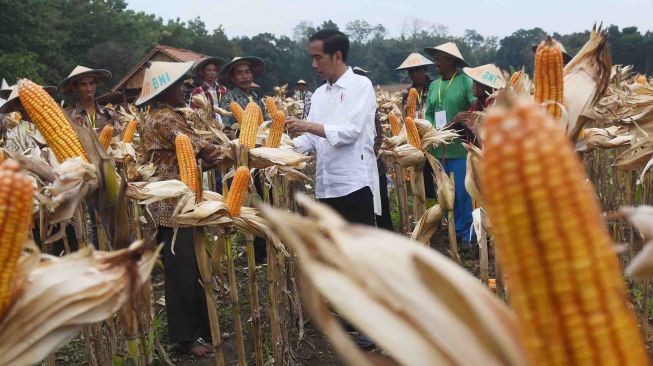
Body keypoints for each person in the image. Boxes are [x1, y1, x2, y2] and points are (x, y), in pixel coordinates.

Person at [135, 61, 223, 357]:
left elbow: (197, 154)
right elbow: (201, 147)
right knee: (182, 270)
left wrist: (209, 156)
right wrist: (231, 150)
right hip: (172, 207)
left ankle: (201, 330)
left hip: (182, 201)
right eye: (179, 84)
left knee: (193, 265)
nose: (186, 87)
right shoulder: (165, 119)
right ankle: (185, 338)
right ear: (165, 90)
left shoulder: (167, 116)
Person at [423, 42, 476, 248]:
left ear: (451, 61)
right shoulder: (435, 85)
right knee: (446, 195)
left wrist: (461, 118)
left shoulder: (464, 81)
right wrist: (428, 129)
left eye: (439, 59)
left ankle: (468, 235)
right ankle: (453, 232)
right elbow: (429, 111)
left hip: (460, 149)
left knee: (463, 195)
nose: (435, 63)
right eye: (435, 58)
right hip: (439, 149)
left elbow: (473, 105)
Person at [352, 66, 394, 232]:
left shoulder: (370, 106)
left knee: (381, 205)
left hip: (374, 166)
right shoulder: (346, 105)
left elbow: (378, 134)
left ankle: (387, 237)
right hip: (354, 169)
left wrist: (370, 155)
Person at [449, 64, 506, 146]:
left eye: (474, 83)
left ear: (483, 86)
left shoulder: (497, 106)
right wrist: (456, 123)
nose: (472, 86)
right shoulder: (476, 105)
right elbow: (469, 138)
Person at [58, 65, 119, 132]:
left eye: (91, 83)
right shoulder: (67, 116)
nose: (89, 88)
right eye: (83, 84)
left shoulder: (110, 114)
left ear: (96, 85)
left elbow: (121, 139)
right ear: (75, 88)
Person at [218, 56, 266, 128]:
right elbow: (226, 127)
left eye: (247, 72)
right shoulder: (228, 99)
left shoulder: (257, 98)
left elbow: (265, 122)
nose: (245, 76)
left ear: (252, 75)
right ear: (233, 78)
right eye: (239, 73)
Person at [397, 52, 434, 117]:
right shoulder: (406, 94)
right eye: (411, 71)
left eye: (417, 70)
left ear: (425, 69)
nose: (414, 74)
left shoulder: (434, 88)